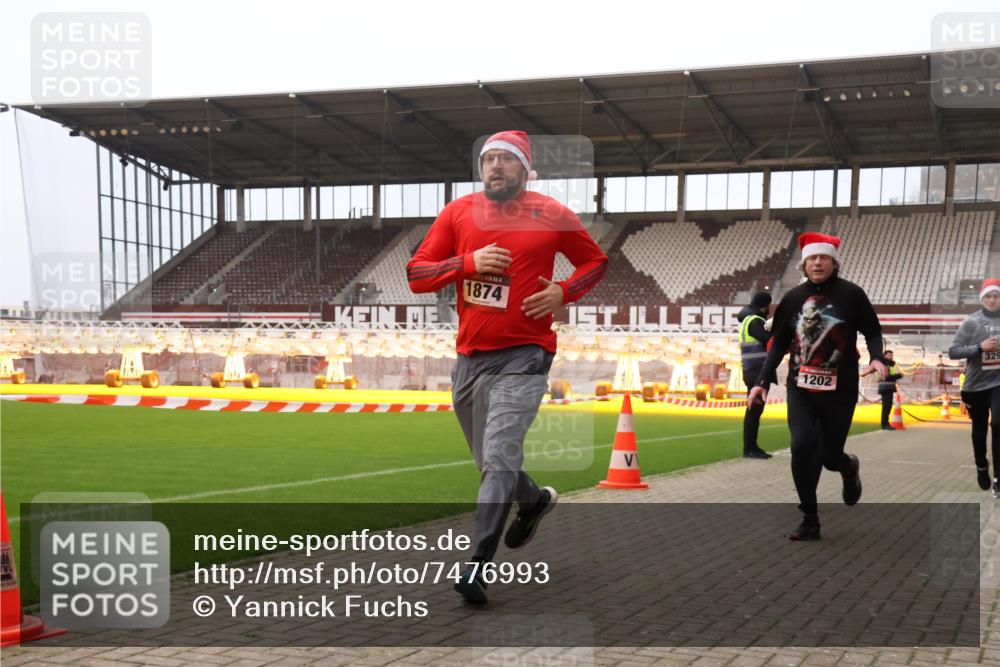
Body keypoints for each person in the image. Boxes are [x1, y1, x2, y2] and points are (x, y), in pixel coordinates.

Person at [407, 130, 608, 603]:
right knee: (492, 462)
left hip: (526, 355)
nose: (495, 165)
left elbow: (595, 263)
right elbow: (416, 274)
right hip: (470, 360)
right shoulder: (458, 213)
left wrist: (564, 291)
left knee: (497, 457)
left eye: (506, 159)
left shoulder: (552, 213)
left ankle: (476, 565)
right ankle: (534, 501)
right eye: (488, 158)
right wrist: (467, 261)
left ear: (524, 168)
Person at [748, 232, 887, 541]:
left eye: (823, 258)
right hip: (801, 388)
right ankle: (810, 518)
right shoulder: (793, 298)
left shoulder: (852, 294)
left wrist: (877, 357)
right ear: (804, 264)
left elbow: (873, 331)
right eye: (812, 258)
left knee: (829, 456)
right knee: (801, 446)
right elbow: (779, 343)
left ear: (834, 263)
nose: (818, 262)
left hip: (841, 390)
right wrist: (761, 383)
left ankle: (848, 468)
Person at [949, 279, 1000, 496]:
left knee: (998, 424)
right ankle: (981, 465)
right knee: (979, 429)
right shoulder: (971, 322)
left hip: (998, 383)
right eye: (988, 296)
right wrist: (980, 347)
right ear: (982, 298)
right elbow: (953, 351)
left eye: (996, 296)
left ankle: (999, 479)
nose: (992, 300)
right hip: (975, 385)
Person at [736, 291, 775, 459]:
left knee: (754, 411)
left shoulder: (748, 320)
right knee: (754, 411)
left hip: (751, 369)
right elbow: (767, 339)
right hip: (756, 371)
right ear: (765, 306)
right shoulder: (755, 321)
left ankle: (751, 447)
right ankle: (750, 448)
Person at [861, 349, 904, 430]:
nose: (891, 357)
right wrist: (898, 376)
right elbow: (886, 376)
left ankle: (886, 423)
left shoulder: (890, 365)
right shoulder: (884, 363)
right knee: (886, 406)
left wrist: (895, 376)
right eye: (889, 355)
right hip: (885, 387)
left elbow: (889, 375)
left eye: (892, 355)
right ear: (885, 356)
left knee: (888, 406)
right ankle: (885, 424)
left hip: (889, 387)